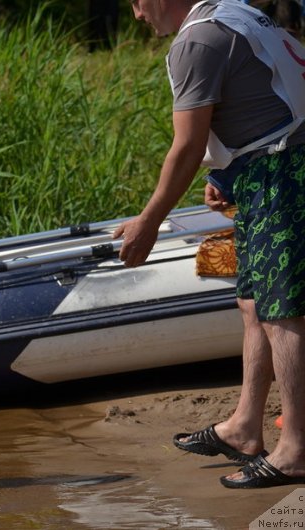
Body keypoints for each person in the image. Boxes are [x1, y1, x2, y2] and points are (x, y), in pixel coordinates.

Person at [116, 0, 305, 488]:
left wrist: (149, 221)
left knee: (282, 311)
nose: (137, 15)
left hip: (283, 172)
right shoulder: (235, 11)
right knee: (252, 302)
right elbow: (266, 94)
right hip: (268, 165)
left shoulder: (196, 40)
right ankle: (245, 427)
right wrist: (228, 171)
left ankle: (297, 449)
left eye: (137, 2)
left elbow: (185, 146)